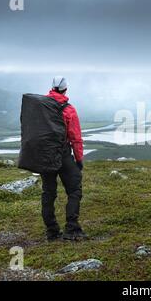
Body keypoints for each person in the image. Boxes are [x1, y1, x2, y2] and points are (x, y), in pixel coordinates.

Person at [41, 76, 87, 241]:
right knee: (74, 189)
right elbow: (75, 137)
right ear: (65, 89)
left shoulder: (41, 106)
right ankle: (71, 228)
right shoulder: (68, 109)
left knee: (48, 192)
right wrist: (79, 159)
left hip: (45, 156)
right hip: (63, 154)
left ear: (51, 88)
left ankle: (52, 231)